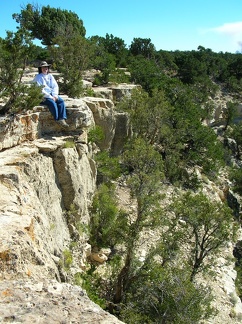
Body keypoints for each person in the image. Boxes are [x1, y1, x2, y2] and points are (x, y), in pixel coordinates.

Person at [33, 61, 69, 128]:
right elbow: (40, 90)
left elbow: (55, 86)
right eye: (43, 67)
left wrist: (55, 95)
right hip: (42, 96)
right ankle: (57, 119)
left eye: (46, 67)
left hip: (52, 94)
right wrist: (50, 97)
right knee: (52, 103)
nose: (45, 68)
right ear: (40, 68)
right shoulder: (38, 77)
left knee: (61, 101)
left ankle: (62, 118)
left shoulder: (50, 76)